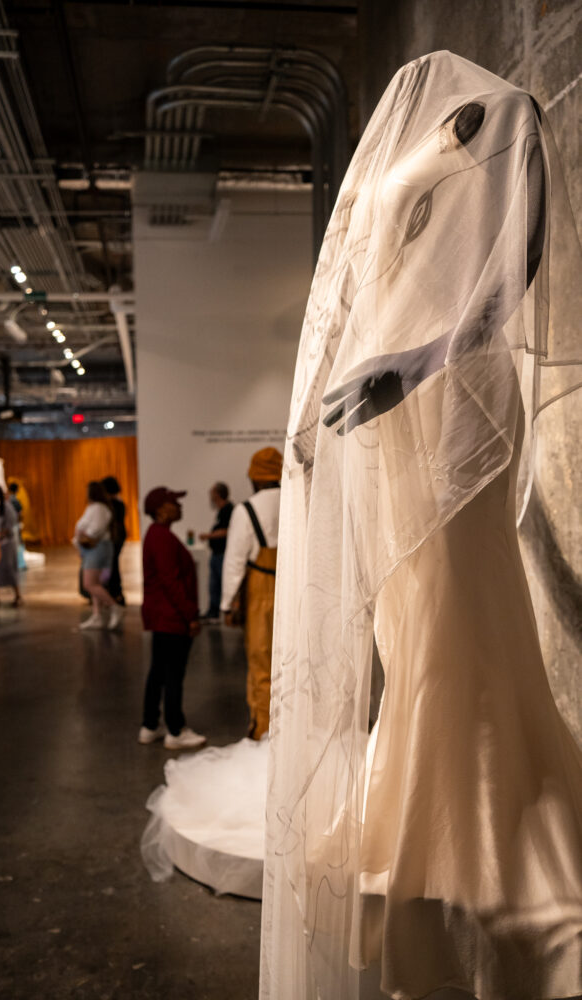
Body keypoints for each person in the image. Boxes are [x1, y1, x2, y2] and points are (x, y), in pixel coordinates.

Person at [260, 53, 582, 1000]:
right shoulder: (412, 131)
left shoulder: (510, 110)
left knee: (452, 613)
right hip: (385, 414)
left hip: (453, 396)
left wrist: (412, 360)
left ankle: (493, 843)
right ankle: (424, 844)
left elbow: (508, 276)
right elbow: (361, 282)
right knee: (412, 626)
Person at [221, 447, 282, 740]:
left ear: (255, 478)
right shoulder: (299, 500)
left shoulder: (246, 510)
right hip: (294, 587)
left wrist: (227, 602)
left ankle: (264, 728)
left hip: (260, 588)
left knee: (261, 660)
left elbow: (234, 560)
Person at [139, 486, 205, 750]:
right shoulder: (162, 537)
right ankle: (175, 730)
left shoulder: (158, 535)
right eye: (175, 503)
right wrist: (190, 615)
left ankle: (150, 725)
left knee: (159, 672)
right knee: (173, 674)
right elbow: (171, 581)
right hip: (172, 617)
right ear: (162, 509)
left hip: (162, 615)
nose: (180, 507)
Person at [73, 481, 124, 631]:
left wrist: (83, 535)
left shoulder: (99, 509)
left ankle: (115, 607)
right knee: (96, 583)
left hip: (96, 548)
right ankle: (97, 616)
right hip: (94, 548)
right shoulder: (96, 508)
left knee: (89, 584)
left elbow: (94, 530)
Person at [199, 482, 233, 624]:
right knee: (214, 584)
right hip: (218, 553)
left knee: (219, 584)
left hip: (222, 554)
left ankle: (219, 612)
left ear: (218, 494)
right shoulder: (223, 510)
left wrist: (209, 536)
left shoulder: (227, 510)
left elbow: (226, 531)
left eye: (212, 493)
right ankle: (214, 612)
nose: (210, 496)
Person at [101, 476, 126, 605]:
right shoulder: (119, 502)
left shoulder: (112, 504)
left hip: (114, 537)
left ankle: (115, 593)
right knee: (113, 564)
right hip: (119, 536)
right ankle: (115, 593)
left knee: (112, 565)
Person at [7, 481, 27, 571]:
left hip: (9, 525)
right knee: (18, 543)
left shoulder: (8, 500)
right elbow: (20, 513)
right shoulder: (14, 500)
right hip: (14, 525)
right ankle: (20, 563)